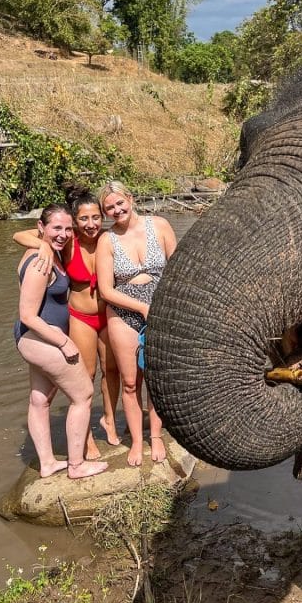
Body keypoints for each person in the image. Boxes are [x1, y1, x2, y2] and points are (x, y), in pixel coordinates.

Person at [13, 186, 122, 457]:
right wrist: (42, 245)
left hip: (107, 314)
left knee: (112, 371)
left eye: (96, 217)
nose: (91, 224)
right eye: (83, 219)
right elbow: (18, 234)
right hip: (80, 317)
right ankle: (85, 439)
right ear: (74, 222)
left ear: (103, 217)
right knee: (86, 376)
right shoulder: (67, 243)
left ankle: (109, 420)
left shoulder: (108, 239)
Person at [96, 181, 177, 466]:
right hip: (124, 311)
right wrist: (141, 307)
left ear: (130, 198)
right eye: (110, 208)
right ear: (105, 212)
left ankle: (155, 436)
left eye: (120, 203)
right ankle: (137, 442)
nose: (117, 210)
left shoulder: (160, 226)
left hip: (159, 309)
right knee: (131, 383)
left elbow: (177, 269)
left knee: (154, 379)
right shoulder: (107, 240)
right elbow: (106, 290)